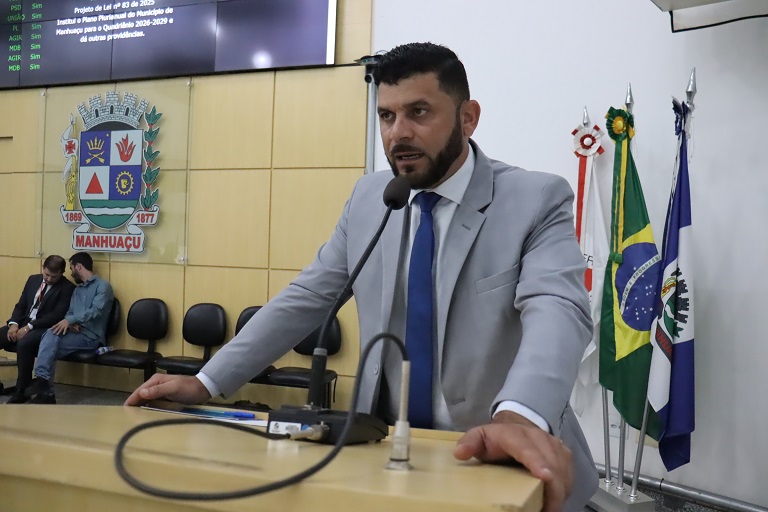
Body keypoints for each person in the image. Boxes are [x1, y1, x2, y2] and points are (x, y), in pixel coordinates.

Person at [125, 43, 596, 511]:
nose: (398, 133)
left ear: (468, 117)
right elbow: (308, 296)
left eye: (419, 112)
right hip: (384, 453)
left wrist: (519, 418)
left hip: (498, 458)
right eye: (387, 116)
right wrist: (207, 381)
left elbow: (558, 310)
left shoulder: (535, 198)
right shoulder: (372, 197)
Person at [25, 252, 114, 404]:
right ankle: (43, 386)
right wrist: (70, 323)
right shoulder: (77, 290)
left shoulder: (103, 286)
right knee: (51, 335)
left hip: (91, 337)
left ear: (78, 266)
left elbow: (96, 311)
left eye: (72, 268)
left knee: (49, 346)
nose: (71, 273)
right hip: (75, 334)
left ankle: (45, 389)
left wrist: (71, 320)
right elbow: (70, 313)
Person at [1, 255, 76, 403]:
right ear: (43, 268)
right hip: (23, 322)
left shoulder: (67, 288)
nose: (49, 279)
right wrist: (14, 324)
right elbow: (21, 305)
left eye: (54, 277)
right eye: (47, 274)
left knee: (25, 343)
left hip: (43, 327)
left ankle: (22, 390)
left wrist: (29, 327)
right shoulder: (33, 280)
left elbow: (56, 315)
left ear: (62, 273)